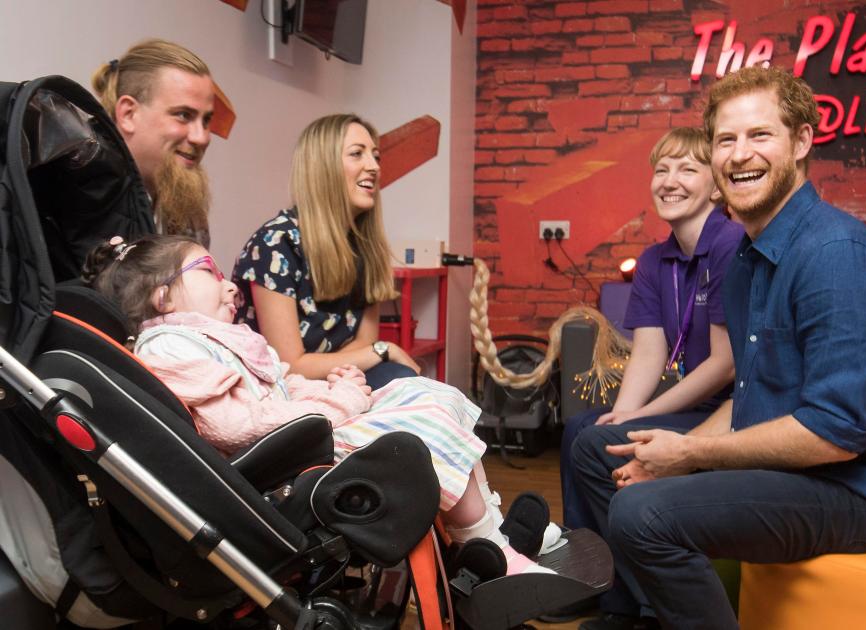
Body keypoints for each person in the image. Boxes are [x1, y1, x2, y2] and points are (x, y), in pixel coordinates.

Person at [571, 65, 866, 630]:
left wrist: (688, 456)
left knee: (641, 510)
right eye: (726, 139)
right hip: (799, 472)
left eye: (760, 135)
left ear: (801, 142)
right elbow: (752, 397)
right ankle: (649, 613)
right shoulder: (750, 261)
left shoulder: (836, 254)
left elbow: (834, 435)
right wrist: (667, 450)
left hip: (860, 494)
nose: (739, 154)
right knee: (598, 449)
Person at [83, 234, 553, 576]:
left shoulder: (215, 340)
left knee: (428, 391)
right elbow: (234, 427)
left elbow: (281, 390)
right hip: (281, 466)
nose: (230, 287)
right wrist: (340, 404)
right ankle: (489, 548)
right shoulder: (168, 347)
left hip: (301, 438)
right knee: (422, 422)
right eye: (209, 272)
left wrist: (332, 389)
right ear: (162, 295)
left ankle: (488, 528)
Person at [560, 127, 742, 531]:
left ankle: (628, 551)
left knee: (596, 441)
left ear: (716, 188)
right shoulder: (654, 259)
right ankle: (585, 554)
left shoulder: (731, 243)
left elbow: (725, 364)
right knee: (579, 427)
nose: (669, 181)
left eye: (688, 170)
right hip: (696, 404)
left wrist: (641, 414)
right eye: (662, 170)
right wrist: (624, 414)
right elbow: (648, 352)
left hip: (736, 412)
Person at [233, 114, 418, 390]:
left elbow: (364, 340)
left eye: (376, 156)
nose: (374, 166)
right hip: (279, 389)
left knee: (410, 387)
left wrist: (352, 367)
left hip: (339, 377)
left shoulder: (364, 244)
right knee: (400, 380)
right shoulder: (274, 245)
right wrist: (383, 350)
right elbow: (289, 365)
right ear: (323, 167)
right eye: (357, 154)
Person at [92, 39, 216, 246]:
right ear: (129, 114)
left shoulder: (180, 199)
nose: (201, 137)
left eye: (206, 120)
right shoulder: (85, 199)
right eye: (184, 115)